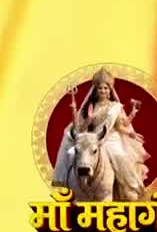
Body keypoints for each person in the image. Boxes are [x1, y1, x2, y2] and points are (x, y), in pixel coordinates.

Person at [50, 66, 150, 201]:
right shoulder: (90, 106)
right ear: (96, 91)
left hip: (111, 138)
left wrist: (131, 133)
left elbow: (120, 126)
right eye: (100, 88)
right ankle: (67, 183)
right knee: (73, 153)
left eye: (105, 88)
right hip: (94, 138)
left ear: (110, 91)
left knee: (119, 156)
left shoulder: (115, 107)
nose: (103, 90)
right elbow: (81, 128)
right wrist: (89, 119)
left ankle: (128, 189)